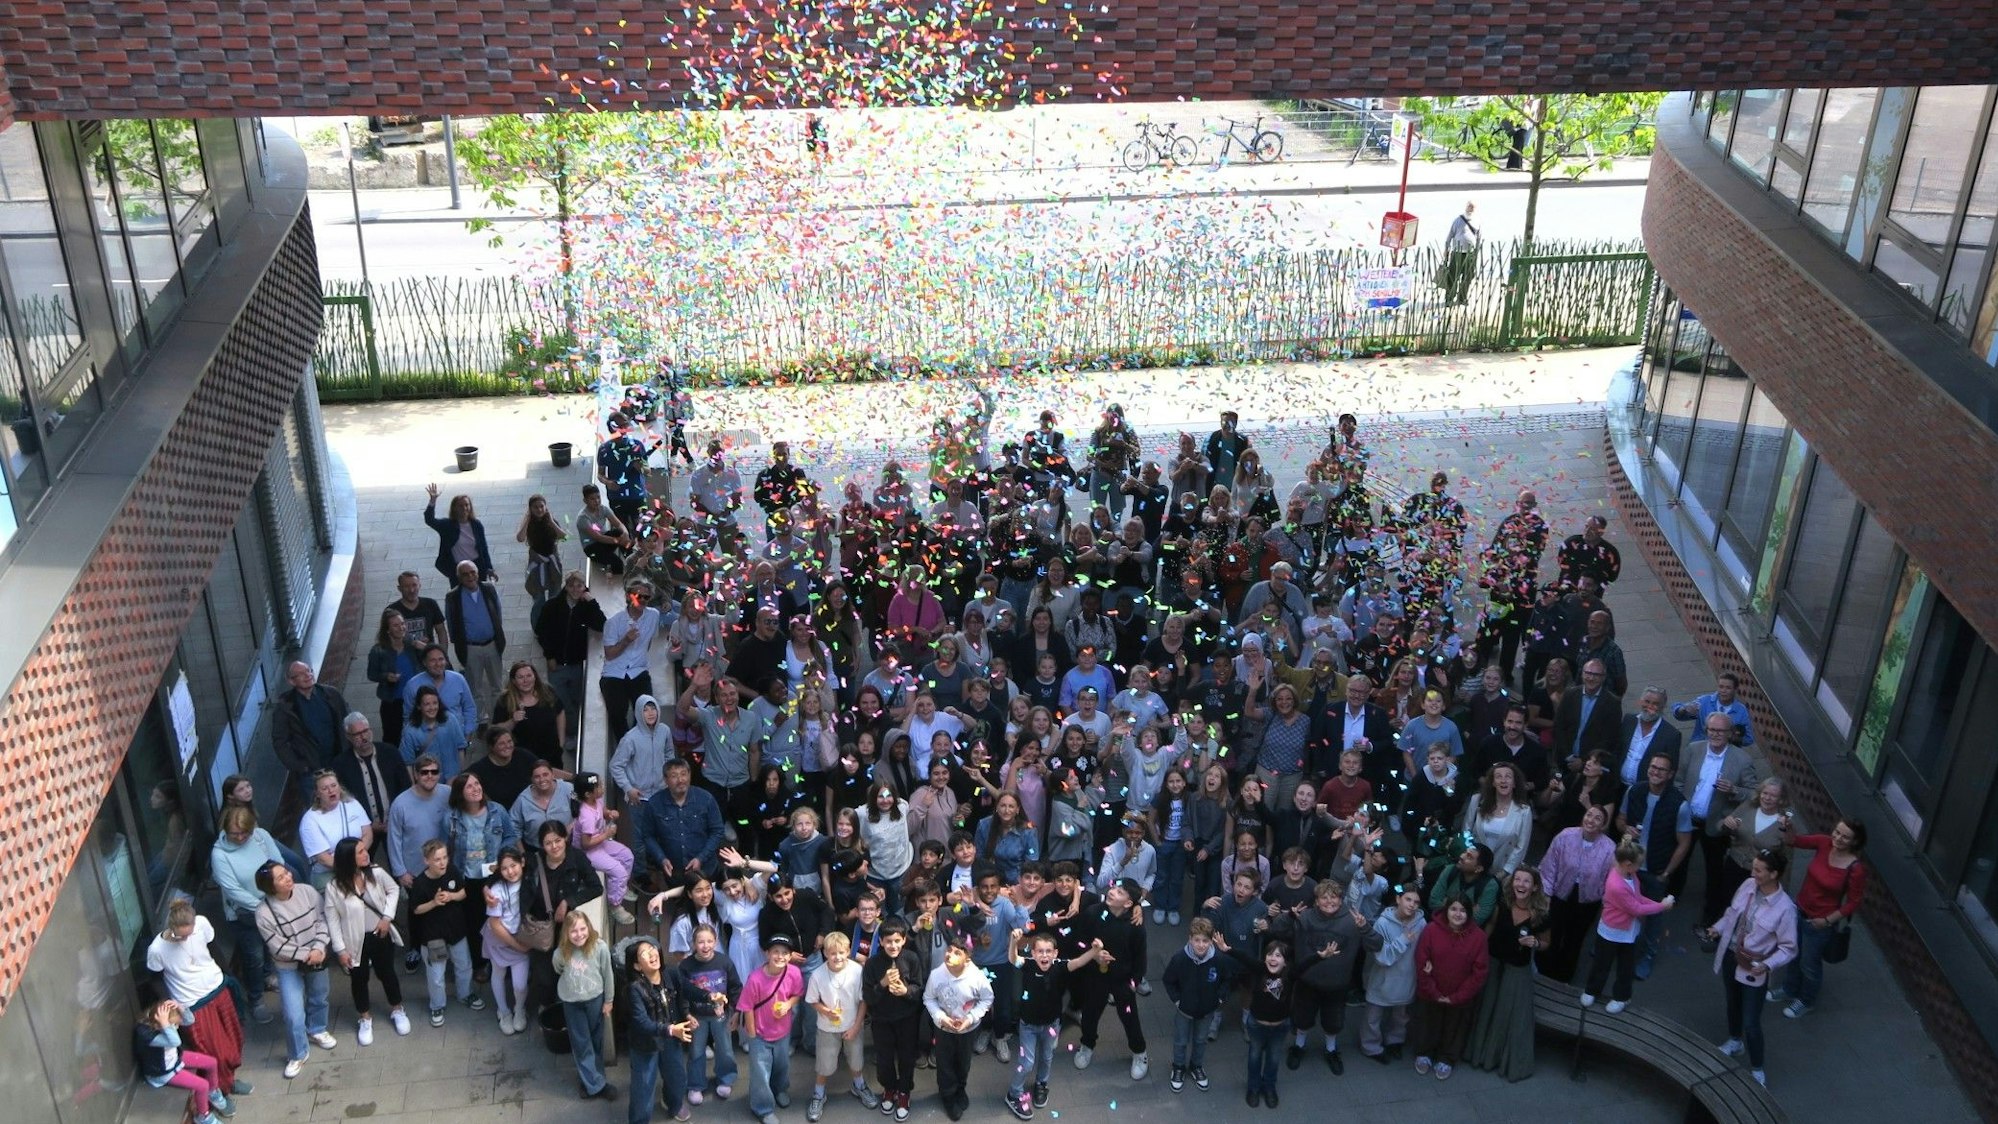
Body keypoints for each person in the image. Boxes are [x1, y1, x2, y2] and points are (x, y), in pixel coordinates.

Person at [1702, 850, 1798, 1088]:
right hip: (1731, 956)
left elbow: (1789, 947)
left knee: (1751, 1021)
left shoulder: (1785, 908)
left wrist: (1766, 965)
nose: (1752, 873)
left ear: (1773, 874)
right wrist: (1717, 928)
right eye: (1753, 868)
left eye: (1758, 870)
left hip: (1753, 968)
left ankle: (1757, 1068)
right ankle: (1735, 1041)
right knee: (1732, 1003)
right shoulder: (1747, 885)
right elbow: (1731, 914)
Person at [144, 900, 250, 1104]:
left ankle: (230, 1080)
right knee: (214, 1049)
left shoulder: (201, 924)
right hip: (193, 1003)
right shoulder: (157, 950)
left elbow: (213, 949)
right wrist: (170, 1004)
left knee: (234, 1038)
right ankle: (219, 1091)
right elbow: (154, 978)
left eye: (189, 933)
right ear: (171, 927)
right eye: (180, 935)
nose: (185, 938)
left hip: (218, 987)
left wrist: (228, 975)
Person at [1003, 926, 1107, 1120]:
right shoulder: (1028, 965)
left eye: (1048, 951)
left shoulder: (1060, 966)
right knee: (1026, 1063)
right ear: (1033, 953)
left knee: (1047, 1057)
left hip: (1052, 1025)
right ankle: (1014, 1094)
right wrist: (1013, 942)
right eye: (1040, 951)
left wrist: (1093, 952)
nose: (1044, 955)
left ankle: (1041, 1084)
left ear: (1055, 953)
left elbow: (1077, 963)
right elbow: (1013, 959)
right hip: (1028, 1026)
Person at [1772, 817, 1868, 1020]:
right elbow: (1793, 841)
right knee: (1794, 953)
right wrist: (1788, 827)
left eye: (1845, 837)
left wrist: (1826, 921)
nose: (1838, 838)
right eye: (1837, 832)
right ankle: (1789, 989)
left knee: (1810, 963)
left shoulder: (1855, 869)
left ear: (1855, 842)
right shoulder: (1824, 843)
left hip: (1820, 923)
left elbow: (1853, 902)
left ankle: (1806, 1001)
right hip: (1799, 909)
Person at [253, 861, 336, 1079]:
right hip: (288, 965)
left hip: (316, 955)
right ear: (270, 886)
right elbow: (276, 945)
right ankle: (298, 1053)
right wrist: (305, 954)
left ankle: (317, 1028)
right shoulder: (264, 913)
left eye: (286, 873)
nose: (288, 877)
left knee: (319, 995)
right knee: (292, 1013)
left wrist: (319, 948)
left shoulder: (307, 892)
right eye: (280, 877)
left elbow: (324, 919)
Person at [1466, 866, 1549, 1081]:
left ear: (1535, 887)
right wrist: (1479, 951)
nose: (1520, 884)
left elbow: (1546, 942)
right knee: (1486, 1008)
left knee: (1510, 1014)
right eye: (1517, 880)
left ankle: (1501, 1059)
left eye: (1526, 881)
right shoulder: (1502, 904)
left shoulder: (1541, 915)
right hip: (1494, 962)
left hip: (1517, 968)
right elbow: (1490, 927)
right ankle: (1479, 1054)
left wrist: (1536, 942)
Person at [323, 836, 409, 1043]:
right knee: (359, 979)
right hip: (354, 942)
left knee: (387, 973)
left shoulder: (376, 873)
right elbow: (332, 920)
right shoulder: (334, 887)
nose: (366, 854)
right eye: (360, 852)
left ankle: (397, 1009)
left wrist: (387, 918)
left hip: (380, 935)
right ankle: (365, 1017)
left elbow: (393, 889)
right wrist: (340, 949)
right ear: (348, 859)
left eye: (364, 849)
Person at [1680, 713, 1762, 925]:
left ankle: (1711, 913)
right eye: (1711, 729)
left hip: (1716, 826)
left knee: (1714, 871)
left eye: (1720, 731)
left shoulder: (1742, 760)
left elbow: (1755, 794)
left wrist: (1734, 790)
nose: (1715, 734)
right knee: (1679, 860)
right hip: (1687, 820)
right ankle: (1671, 895)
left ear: (1730, 734)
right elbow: (1679, 781)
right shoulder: (1693, 749)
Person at [1581, 841, 1676, 1012]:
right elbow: (1636, 908)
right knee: (1602, 964)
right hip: (1611, 931)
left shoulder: (1631, 876)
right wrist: (1662, 906)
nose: (1641, 867)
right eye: (1639, 864)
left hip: (1627, 931)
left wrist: (1657, 903)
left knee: (1625, 967)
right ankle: (1591, 990)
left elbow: (1638, 898)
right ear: (1628, 864)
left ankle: (1622, 997)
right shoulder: (1616, 885)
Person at [211, 804, 284, 1025]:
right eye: (235, 833)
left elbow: (278, 862)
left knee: (271, 944)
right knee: (254, 956)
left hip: (271, 903)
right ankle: (256, 999)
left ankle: (268, 976)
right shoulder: (220, 854)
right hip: (244, 914)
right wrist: (261, 906)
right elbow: (232, 890)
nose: (241, 837)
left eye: (245, 832)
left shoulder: (260, 837)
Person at [1409, 896, 1488, 1080]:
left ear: (1468, 913)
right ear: (1446, 910)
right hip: (1430, 993)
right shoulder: (1430, 930)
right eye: (1453, 909)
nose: (1457, 914)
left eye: (1462, 910)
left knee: (1455, 1026)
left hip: (1459, 997)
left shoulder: (1479, 937)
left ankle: (1448, 1057)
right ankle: (1424, 1052)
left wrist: (1457, 997)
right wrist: (1434, 992)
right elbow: (1421, 961)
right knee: (1428, 1022)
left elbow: (1479, 973)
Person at [1536, 803, 1617, 983]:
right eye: (1589, 815)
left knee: (1575, 939)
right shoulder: (1565, 836)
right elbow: (1549, 866)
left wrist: (1606, 904)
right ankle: (1543, 973)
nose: (1591, 820)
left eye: (1598, 818)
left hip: (1588, 902)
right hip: (1559, 894)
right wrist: (1546, 894)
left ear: (1603, 825)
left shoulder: (1609, 848)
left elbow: (1610, 880)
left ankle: (1564, 977)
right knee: (1553, 932)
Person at [804, 930, 879, 1119]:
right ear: (825, 954)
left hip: (852, 1024)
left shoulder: (857, 971)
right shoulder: (818, 975)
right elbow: (812, 1000)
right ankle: (819, 1093)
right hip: (827, 1028)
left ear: (847, 951)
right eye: (832, 953)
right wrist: (824, 1010)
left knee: (855, 1059)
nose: (837, 957)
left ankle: (859, 1085)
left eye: (841, 952)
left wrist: (855, 1027)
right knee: (824, 1063)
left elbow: (863, 1001)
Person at [408, 838, 480, 1026]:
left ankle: (466, 994)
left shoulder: (452, 871)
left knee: (464, 965)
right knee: (437, 975)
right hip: (434, 936)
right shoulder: (420, 883)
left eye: (444, 857)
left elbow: (463, 892)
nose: (442, 863)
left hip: (456, 930)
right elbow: (416, 909)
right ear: (426, 861)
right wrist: (433, 903)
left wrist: (451, 896)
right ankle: (437, 1005)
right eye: (437, 859)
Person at [1162, 916, 1239, 1094]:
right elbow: (1168, 980)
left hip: (1207, 1010)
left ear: (1211, 941)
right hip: (1184, 1010)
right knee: (1180, 1041)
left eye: (1205, 941)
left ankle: (1196, 1066)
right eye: (1197, 940)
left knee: (1200, 1040)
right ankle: (1178, 1067)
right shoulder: (1180, 959)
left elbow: (1228, 980)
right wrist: (1177, 1000)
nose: (1201, 945)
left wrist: (1219, 999)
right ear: (1190, 939)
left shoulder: (1219, 960)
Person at [625, 937, 697, 1124]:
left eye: (652, 948)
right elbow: (641, 1022)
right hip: (646, 1044)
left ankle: (672, 1103)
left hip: (670, 1037)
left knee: (677, 1077)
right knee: (643, 1086)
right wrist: (670, 1030)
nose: (651, 953)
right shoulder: (634, 989)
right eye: (644, 953)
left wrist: (708, 997)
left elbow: (686, 991)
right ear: (637, 966)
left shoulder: (671, 973)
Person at [923, 933, 993, 1123]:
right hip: (944, 1030)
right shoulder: (937, 975)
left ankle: (960, 1088)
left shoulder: (977, 977)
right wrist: (941, 1018)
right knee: (945, 1064)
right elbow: (928, 998)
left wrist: (970, 1019)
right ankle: (947, 1095)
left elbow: (987, 998)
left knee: (963, 1062)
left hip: (968, 1030)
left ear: (967, 958)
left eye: (956, 953)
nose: (949, 955)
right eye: (949, 950)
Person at [133, 997, 233, 1124]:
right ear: (159, 1024)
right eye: (172, 1025)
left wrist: (180, 1008)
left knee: (211, 1062)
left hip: (174, 1058)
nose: (175, 1027)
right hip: (164, 1072)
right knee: (202, 1085)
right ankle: (203, 1116)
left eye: (175, 1025)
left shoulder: (165, 1023)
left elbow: (190, 1020)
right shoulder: (150, 1036)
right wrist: (166, 1025)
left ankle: (212, 1092)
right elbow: (175, 1041)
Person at [552, 912, 619, 1101]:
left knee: (596, 1040)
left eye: (583, 929)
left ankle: (591, 1078)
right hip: (572, 1002)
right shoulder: (560, 953)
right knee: (582, 1044)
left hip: (595, 1000)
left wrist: (609, 1000)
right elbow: (558, 969)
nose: (579, 934)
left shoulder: (600, 948)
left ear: (589, 927)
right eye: (573, 931)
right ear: (566, 932)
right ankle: (596, 1085)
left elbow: (608, 975)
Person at [743, 933, 807, 1124]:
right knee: (760, 1073)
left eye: (785, 953)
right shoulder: (755, 979)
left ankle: (779, 1090)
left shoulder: (794, 972)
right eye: (775, 952)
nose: (780, 956)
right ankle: (762, 1108)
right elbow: (747, 1008)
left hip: (783, 1031)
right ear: (767, 953)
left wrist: (789, 1004)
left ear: (790, 956)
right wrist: (752, 1035)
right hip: (760, 1034)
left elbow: (797, 994)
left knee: (782, 1066)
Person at [676, 921, 742, 1107]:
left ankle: (726, 1078)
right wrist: (687, 1014)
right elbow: (681, 993)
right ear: (694, 943)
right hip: (697, 1016)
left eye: (709, 941)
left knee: (725, 1048)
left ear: (715, 942)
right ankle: (696, 1084)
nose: (705, 946)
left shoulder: (724, 961)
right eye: (701, 942)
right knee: (696, 1050)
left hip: (720, 1015)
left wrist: (736, 1012)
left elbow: (736, 987)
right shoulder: (686, 966)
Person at [1360, 887, 1425, 1067]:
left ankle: (1394, 1041)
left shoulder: (1421, 923)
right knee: (1373, 1017)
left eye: (1416, 902)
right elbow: (1382, 957)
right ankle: (1371, 1047)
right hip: (1383, 979)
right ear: (1398, 899)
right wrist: (1403, 940)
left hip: (1407, 978)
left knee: (1401, 1016)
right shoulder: (1382, 923)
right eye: (1408, 899)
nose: (1412, 905)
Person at [273, 660, 350, 803]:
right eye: (301, 674)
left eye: (309, 671)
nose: (308, 675)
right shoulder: (285, 707)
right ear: (291, 681)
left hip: (339, 763)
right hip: (310, 771)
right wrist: (300, 766)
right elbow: (280, 742)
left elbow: (347, 722)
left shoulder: (331, 694)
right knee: (317, 811)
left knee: (347, 805)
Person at [601, 579, 662, 751]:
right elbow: (610, 654)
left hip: (638, 670)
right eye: (638, 596)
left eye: (646, 597)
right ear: (629, 596)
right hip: (614, 672)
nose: (642, 600)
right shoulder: (614, 622)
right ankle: (626, 747)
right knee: (617, 710)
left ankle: (641, 745)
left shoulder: (653, 616)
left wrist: (641, 658)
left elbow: (649, 641)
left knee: (646, 708)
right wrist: (626, 640)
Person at [444, 559, 507, 712]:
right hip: (471, 648)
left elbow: (497, 614)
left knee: (497, 686)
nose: (470, 577)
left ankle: (497, 719)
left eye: (473, 572)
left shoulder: (488, 589)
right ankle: (480, 721)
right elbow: (451, 624)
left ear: (478, 573)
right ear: (459, 577)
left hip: (492, 645)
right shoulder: (453, 597)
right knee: (474, 688)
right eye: (465, 574)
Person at [299, 770, 372, 888]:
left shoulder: (352, 804)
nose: (331, 790)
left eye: (334, 785)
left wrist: (359, 858)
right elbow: (323, 859)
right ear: (317, 793)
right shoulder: (309, 821)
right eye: (324, 788)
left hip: (359, 864)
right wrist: (350, 866)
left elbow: (368, 833)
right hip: (329, 873)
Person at [367, 609, 421, 746]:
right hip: (393, 702)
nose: (401, 628)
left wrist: (425, 648)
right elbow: (371, 674)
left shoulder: (411, 644)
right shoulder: (378, 651)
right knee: (393, 738)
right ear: (387, 630)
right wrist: (386, 677)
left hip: (415, 699)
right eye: (396, 625)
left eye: (402, 623)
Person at [422, 484, 494, 582]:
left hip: (477, 567)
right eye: (460, 506)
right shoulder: (447, 525)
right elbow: (429, 520)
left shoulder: (476, 524)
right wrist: (432, 501)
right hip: (458, 569)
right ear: (454, 508)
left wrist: (489, 567)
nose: (464, 508)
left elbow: (483, 548)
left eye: (466, 505)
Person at [1672, 672, 1757, 747]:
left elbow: (1748, 739)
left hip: (1726, 754)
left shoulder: (1741, 710)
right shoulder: (1705, 701)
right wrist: (1683, 709)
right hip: (1700, 749)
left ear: (1735, 690)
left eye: (1728, 688)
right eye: (1721, 687)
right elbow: (1678, 713)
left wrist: (1732, 737)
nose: (1723, 690)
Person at [1557, 515, 1621, 590]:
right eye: (1586, 526)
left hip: (1592, 594)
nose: (1587, 531)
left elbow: (1612, 576)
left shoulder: (1610, 552)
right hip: (1568, 589)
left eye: (1592, 529)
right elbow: (1561, 562)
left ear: (1600, 533)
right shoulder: (1571, 543)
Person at [1437, 201, 1480, 305]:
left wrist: (1476, 253)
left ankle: (1462, 298)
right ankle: (1449, 298)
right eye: (1469, 206)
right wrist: (1446, 249)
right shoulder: (1458, 220)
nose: (1470, 208)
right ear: (1466, 207)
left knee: (1468, 276)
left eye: (1473, 207)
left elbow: (1479, 238)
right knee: (1452, 276)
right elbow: (1450, 235)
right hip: (1457, 252)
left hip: (1470, 254)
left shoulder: (1477, 221)